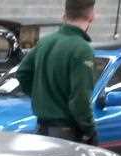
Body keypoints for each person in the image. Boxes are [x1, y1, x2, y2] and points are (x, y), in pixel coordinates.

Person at [17, 0, 99, 145]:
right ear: (91, 16)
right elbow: (80, 98)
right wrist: (90, 129)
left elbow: (22, 73)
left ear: (64, 16)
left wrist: (42, 98)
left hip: (41, 129)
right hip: (67, 134)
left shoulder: (44, 42)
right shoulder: (82, 49)